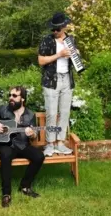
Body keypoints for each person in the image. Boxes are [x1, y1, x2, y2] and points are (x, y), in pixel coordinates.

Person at [0, 86, 45, 208]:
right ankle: (6, 194)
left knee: (39, 156)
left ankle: (25, 186)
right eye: (10, 95)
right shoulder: (3, 109)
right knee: (5, 155)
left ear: (23, 99)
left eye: (14, 96)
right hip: (6, 145)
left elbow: (34, 136)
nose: (11, 98)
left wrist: (32, 134)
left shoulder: (30, 114)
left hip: (23, 145)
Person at [38, 12, 78, 157]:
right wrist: (59, 54)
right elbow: (41, 61)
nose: (54, 31)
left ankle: (60, 143)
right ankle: (50, 144)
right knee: (52, 113)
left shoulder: (71, 40)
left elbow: (76, 61)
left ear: (64, 27)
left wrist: (75, 55)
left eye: (57, 29)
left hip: (67, 79)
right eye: (53, 29)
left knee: (65, 112)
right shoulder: (47, 41)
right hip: (51, 80)